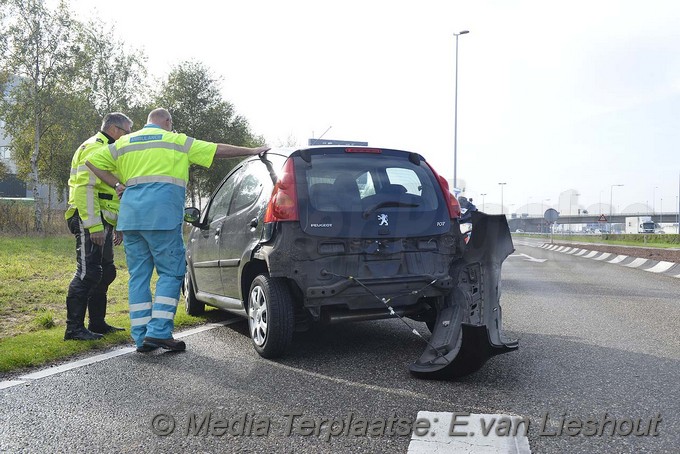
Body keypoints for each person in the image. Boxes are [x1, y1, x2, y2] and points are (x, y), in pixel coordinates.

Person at [86, 108, 270, 353]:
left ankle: (141, 338)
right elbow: (216, 150)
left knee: (138, 276)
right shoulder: (175, 140)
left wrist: (118, 184)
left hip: (131, 218)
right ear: (168, 122)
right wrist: (251, 151)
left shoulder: (125, 142)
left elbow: (91, 161)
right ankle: (159, 332)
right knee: (172, 273)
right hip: (161, 217)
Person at [64, 112, 133, 341]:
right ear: (114, 130)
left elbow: (113, 193)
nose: (128, 137)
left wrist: (118, 225)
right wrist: (93, 226)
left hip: (103, 220)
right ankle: (74, 329)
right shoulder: (95, 147)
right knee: (88, 273)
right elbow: (86, 188)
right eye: (127, 132)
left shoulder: (109, 149)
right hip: (89, 218)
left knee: (106, 272)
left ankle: (97, 323)